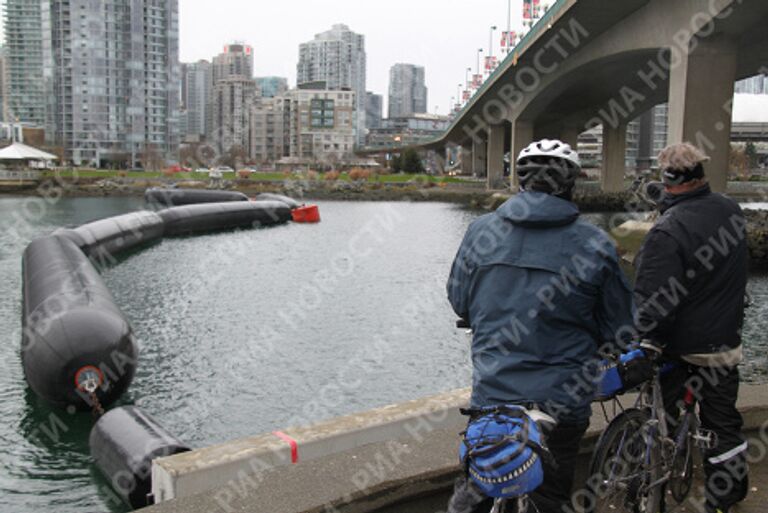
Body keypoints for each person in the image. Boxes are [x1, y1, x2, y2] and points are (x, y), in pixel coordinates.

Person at [446, 139, 635, 513]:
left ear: (521, 182)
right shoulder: (594, 243)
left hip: (495, 393)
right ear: (570, 185)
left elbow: (459, 299)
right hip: (562, 397)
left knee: (484, 482)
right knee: (551, 492)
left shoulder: (481, 231)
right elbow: (620, 327)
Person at [634, 142, 749, 513]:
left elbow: (655, 303)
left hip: (680, 346)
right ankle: (724, 500)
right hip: (724, 342)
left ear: (667, 181)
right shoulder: (731, 211)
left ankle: (652, 491)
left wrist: (640, 338)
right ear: (700, 174)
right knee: (723, 425)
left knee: (659, 420)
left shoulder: (667, 231)